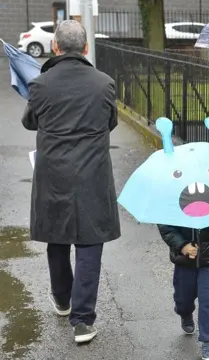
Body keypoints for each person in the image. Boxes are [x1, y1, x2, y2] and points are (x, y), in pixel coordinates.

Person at [21, 20, 120, 343]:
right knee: (90, 244)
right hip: (93, 174)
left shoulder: (40, 84)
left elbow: (29, 122)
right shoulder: (105, 83)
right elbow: (110, 123)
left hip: (54, 175)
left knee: (57, 237)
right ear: (86, 48)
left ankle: (62, 299)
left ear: (55, 47)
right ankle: (83, 321)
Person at [158, 220, 209, 360]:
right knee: (184, 297)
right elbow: (166, 226)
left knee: (208, 299)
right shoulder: (174, 199)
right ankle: (185, 312)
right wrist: (182, 245)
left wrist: (206, 229)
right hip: (185, 258)